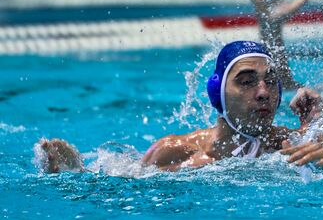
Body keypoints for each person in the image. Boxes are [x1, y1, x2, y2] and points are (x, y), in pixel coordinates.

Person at [37, 41, 294, 173]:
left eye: (271, 82)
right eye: (247, 82)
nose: (263, 93)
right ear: (217, 93)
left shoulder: (292, 144)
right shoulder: (174, 152)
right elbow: (119, 192)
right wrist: (74, 176)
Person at [242, 0, 310, 90]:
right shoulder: (268, 16)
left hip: (274, 58)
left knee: (285, 81)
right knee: (286, 81)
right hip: (275, 58)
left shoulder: (269, 16)